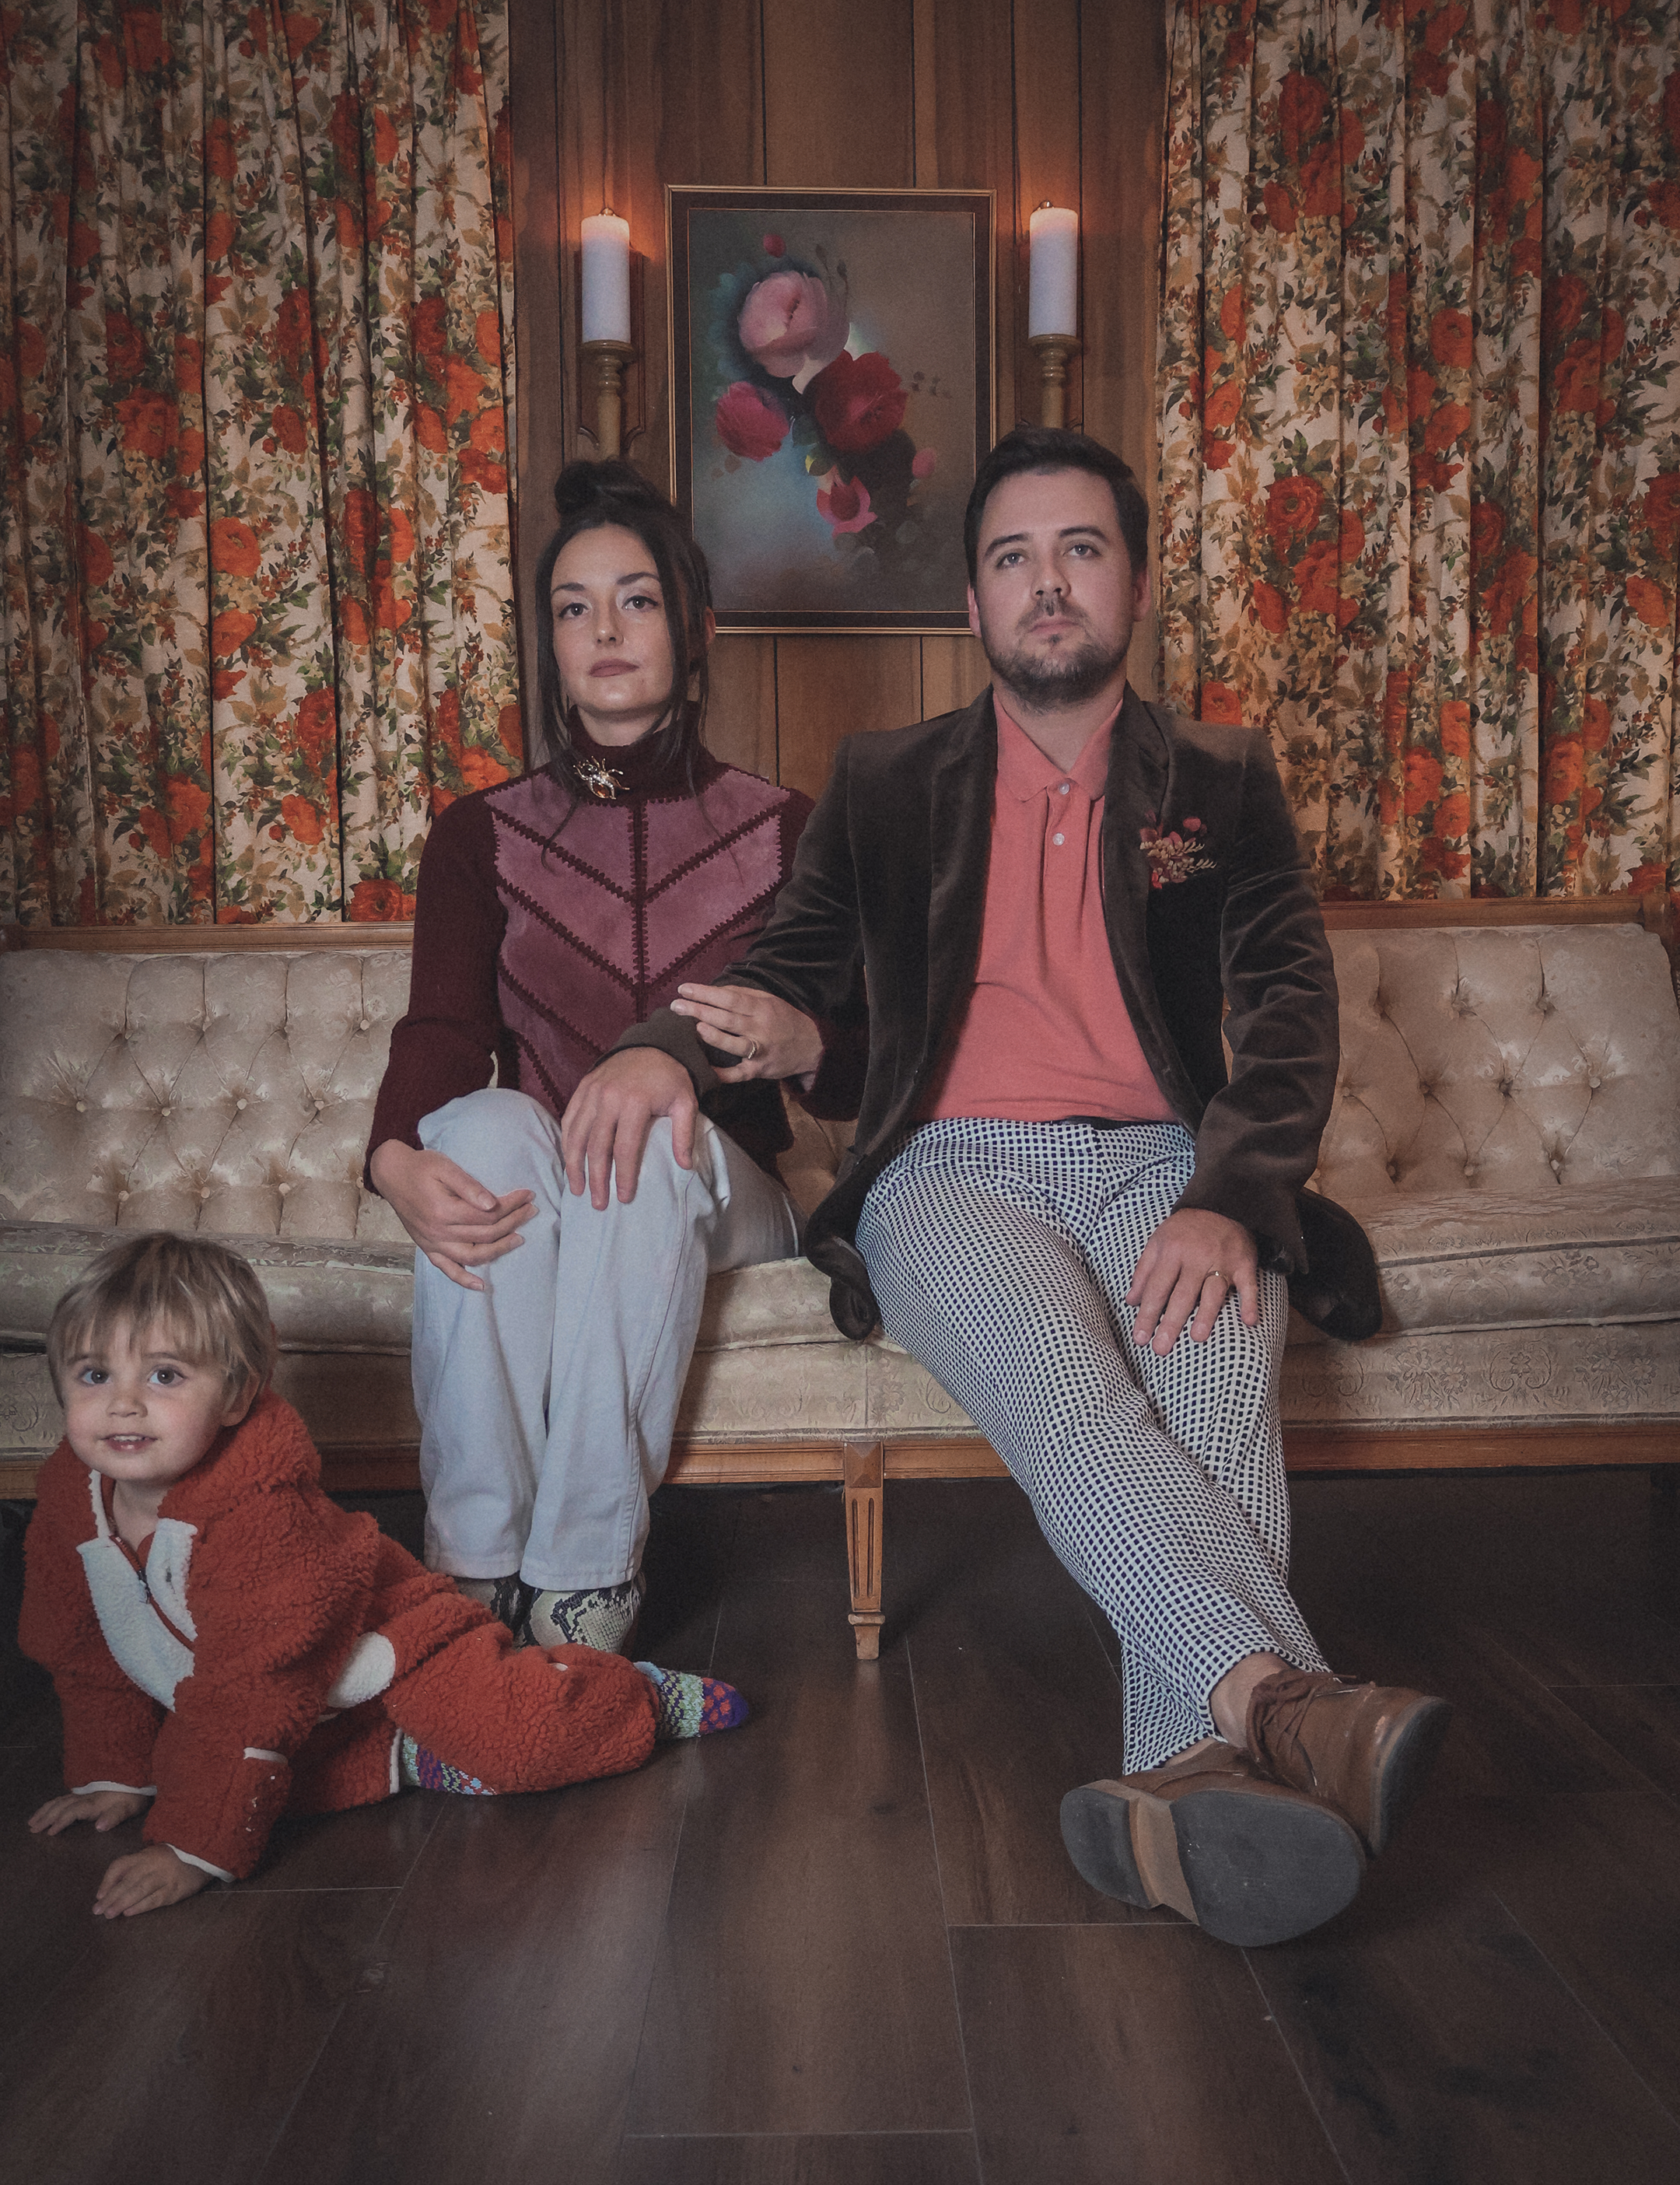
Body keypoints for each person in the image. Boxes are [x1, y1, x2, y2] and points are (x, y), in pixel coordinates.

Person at [568, 426, 1451, 1949]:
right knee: (1069, 1384)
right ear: (972, 604)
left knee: (1218, 1351)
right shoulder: (888, 780)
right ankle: (1289, 1706)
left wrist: (1232, 1195)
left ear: (1139, 583)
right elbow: (785, 963)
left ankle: (1191, 1785)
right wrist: (659, 1050)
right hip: (951, 1171)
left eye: (1081, 548)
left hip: (1168, 1168)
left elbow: (1291, 1011)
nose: (1047, 583)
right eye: (1012, 556)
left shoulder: (1223, 786)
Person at [367, 461, 846, 1655]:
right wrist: (390, 1160)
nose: (605, 630)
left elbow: (867, 1068)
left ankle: (585, 1576)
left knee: (646, 1136)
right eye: (575, 607)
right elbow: (441, 1031)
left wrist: (805, 1041)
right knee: (473, 1128)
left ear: (696, 627)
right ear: (550, 642)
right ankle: (473, 1562)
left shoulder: (786, 827)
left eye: (635, 599)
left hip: (722, 1182)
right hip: (552, 1177)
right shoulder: (479, 834)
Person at [21, 1234, 747, 1919]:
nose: (123, 1402)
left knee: (519, 1740)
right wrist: (116, 1772)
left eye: (164, 1374)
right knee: (261, 1778)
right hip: (309, 1711)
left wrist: (191, 1847)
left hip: (398, 1653)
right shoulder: (72, 1504)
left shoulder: (260, 1512)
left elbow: (251, 1689)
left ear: (237, 1395)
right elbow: (84, 1649)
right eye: (94, 1373)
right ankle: (409, 1754)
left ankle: (637, 1695)